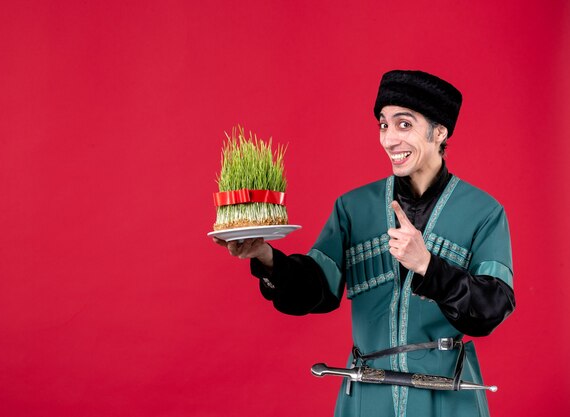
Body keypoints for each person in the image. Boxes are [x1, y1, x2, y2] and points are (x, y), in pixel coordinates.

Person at [213, 70, 515, 417]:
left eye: (404, 125)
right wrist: (266, 257)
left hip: (446, 394)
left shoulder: (483, 212)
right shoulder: (353, 208)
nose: (389, 140)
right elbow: (318, 291)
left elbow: (491, 309)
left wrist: (427, 266)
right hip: (367, 395)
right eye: (383, 125)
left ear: (440, 132)